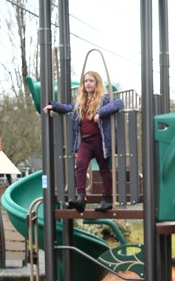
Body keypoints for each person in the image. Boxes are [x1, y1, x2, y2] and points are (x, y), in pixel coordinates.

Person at [42, 70, 124, 213]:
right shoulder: (81, 101)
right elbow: (67, 108)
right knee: (80, 164)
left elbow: (119, 103)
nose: (88, 83)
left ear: (97, 83)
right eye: (85, 81)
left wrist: (100, 112)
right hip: (86, 141)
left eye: (91, 81)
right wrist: (53, 106)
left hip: (100, 140)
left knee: (104, 168)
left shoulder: (103, 99)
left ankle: (106, 198)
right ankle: (81, 197)